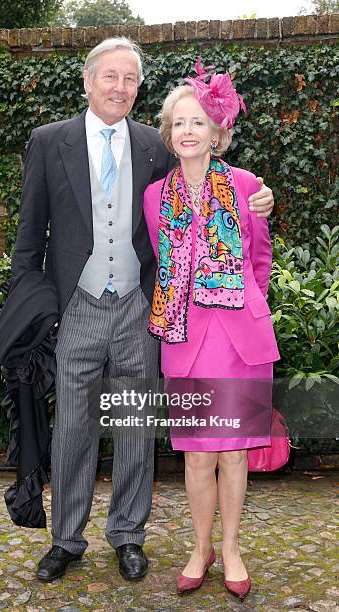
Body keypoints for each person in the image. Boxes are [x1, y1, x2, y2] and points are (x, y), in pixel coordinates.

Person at [10, 39, 275, 584]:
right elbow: (28, 237)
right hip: (77, 307)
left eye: (130, 79)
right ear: (87, 81)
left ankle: (128, 535)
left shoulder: (153, 147)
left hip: (139, 308)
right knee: (73, 430)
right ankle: (66, 539)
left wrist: (260, 201)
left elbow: (215, 203)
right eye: (110, 77)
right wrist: (38, 312)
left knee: (134, 427)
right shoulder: (48, 141)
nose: (120, 88)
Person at [143, 61, 280, 599]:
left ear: (218, 131)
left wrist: (245, 307)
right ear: (169, 134)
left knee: (235, 451)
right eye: (179, 123)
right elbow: (160, 260)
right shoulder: (155, 197)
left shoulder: (248, 186)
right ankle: (199, 549)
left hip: (240, 340)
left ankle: (231, 549)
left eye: (199, 121)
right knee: (198, 452)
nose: (189, 131)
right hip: (184, 339)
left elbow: (260, 261)